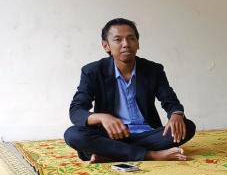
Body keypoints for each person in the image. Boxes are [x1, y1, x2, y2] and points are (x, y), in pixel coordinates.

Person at [64, 18, 196, 163]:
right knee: (73, 134)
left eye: (131, 38)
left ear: (138, 43)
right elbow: (76, 111)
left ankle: (111, 153)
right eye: (118, 39)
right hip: (111, 135)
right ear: (106, 46)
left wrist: (176, 114)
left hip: (147, 134)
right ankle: (151, 155)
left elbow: (170, 101)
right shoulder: (93, 71)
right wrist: (102, 117)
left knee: (187, 126)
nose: (126, 44)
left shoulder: (153, 70)